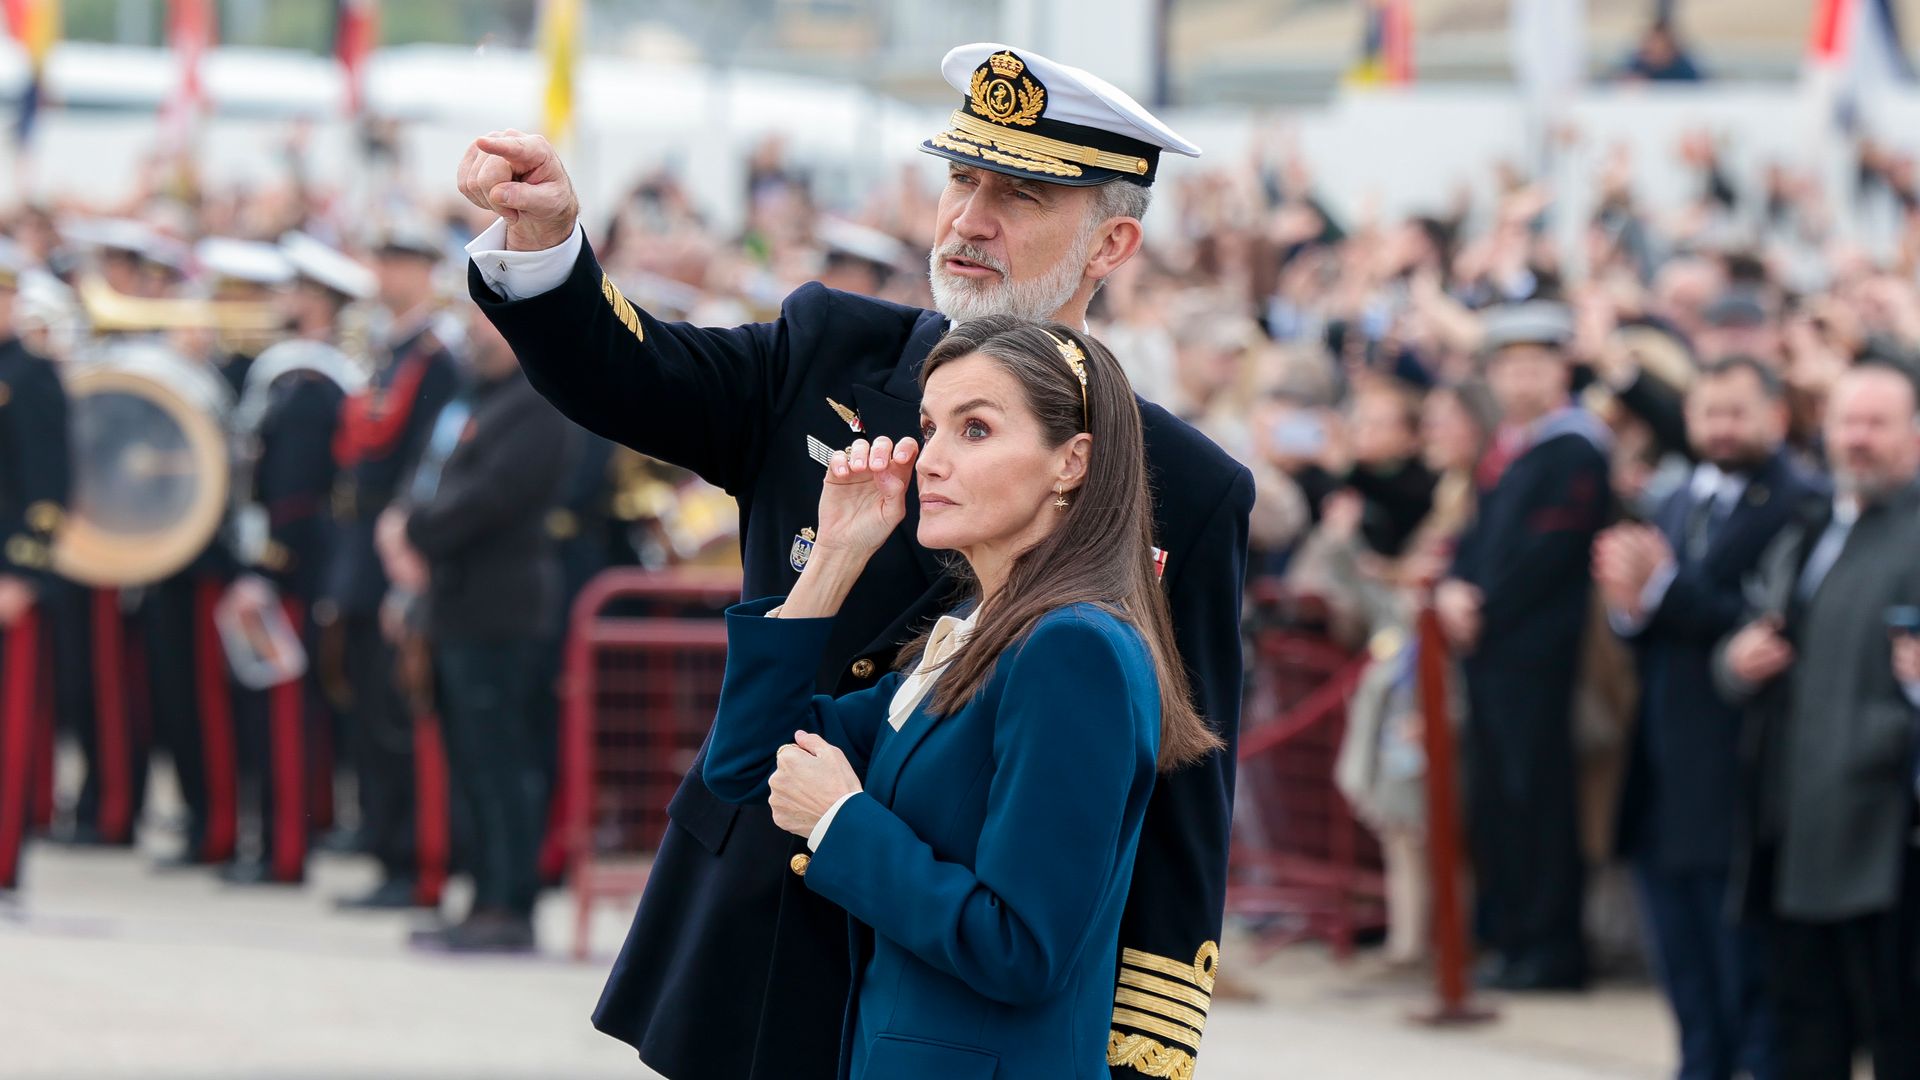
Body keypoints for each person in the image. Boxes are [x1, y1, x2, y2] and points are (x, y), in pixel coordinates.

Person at [457, 42, 1254, 1080]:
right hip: (762, 929)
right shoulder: (829, 350)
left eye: (1020, 195)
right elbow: (633, 374)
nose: (970, 218)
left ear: (1111, 243)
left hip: (970, 989)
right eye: (961, 178)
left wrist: (1141, 1051)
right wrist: (552, 243)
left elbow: (1184, 792)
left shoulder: (1184, 484)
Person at [704, 317, 1217, 1077]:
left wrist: (842, 822)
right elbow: (751, 763)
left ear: (1072, 462)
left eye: (974, 430)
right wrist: (834, 558)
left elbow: (1021, 948)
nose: (931, 460)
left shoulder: (1074, 649)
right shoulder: (975, 632)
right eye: (928, 427)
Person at [1599, 356, 1814, 1080]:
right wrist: (1630, 609)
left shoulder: (1800, 502)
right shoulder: (1674, 498)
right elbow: (1650, 616)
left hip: (1738, 778)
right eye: (1707, 413)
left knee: (1746, 980)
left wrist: (1661, 589)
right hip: (1661, 774)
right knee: (1685, 977)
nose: (1720, 429)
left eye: (1736, 412)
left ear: (1775, 417)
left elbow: (1771, 625)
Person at [1716, 361, 1920, 1078]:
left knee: (1898, 1033)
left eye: (1878, 424)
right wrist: (1737, 659)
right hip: (1791, 827)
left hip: (1887, 844)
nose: (1859, 439)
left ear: (1916, 435)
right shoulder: (1809, 528)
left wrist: (1883, 739)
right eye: (1848, 422)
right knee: (1805, 1032)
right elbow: (1747, 631)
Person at [1435, 301, 1611, 991]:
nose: (1519, 379)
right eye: (1507, 366)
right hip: (1493, 651)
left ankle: (1549, 944)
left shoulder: (1574, 448)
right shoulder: (1512, 451)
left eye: (1534, 364)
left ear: (1561, 369)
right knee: (1499, 798)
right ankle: (1511, 935)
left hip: (1540, 653)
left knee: (1539, 798)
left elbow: (1550, 551)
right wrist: (1455, 588)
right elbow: (1477, 543)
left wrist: (1483, 602)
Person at [389, 307, 575, 951]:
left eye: (490, 323)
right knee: (473, 763)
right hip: (458, 604)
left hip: (502, 608)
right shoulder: (477, 397)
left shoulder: (537, 402)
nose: (476, 332)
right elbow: (434, 476)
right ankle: (481, 901)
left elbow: (494, 495)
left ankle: (508, 905)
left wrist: (417, 529)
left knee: (503, 765)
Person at [319, 225, 460, 907]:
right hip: (360, 551)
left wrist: (411, 561)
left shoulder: (435, 360)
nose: (387, 272)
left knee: (394, 716)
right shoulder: (387, 350)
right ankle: (383, 846)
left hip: (397, 557)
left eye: (401, 261)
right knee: (366, 705)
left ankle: (408, 858)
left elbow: (423, 467)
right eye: (383, 258)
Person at [0, 246, 69, 895]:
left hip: (7, 575)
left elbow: (48, 486)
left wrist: (23, 569)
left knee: (11, 724)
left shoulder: (32, 372)